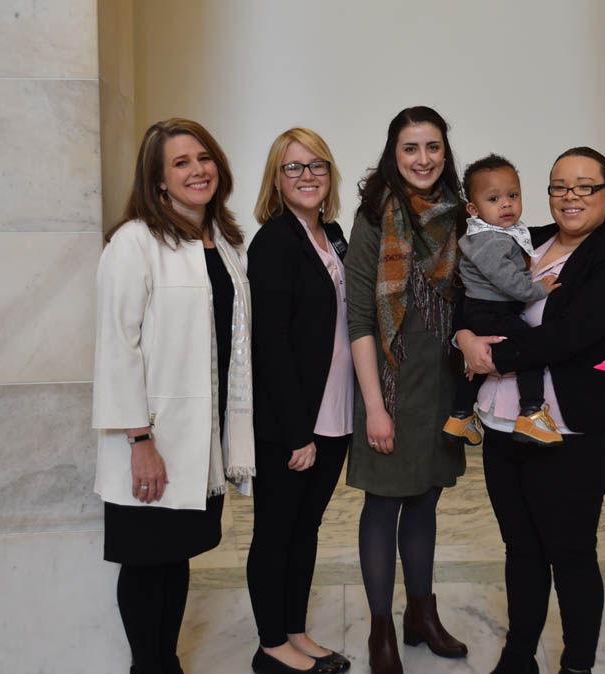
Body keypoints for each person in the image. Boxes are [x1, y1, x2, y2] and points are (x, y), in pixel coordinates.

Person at [457, 147, 605, 674]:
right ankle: (519, 656)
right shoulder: (524, 239)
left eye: (586, 186)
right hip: (503, 423)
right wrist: (463, 334)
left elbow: (569, 337)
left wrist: (492, 356)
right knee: (520, 547)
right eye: (560, 186)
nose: (571, 196)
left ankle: (577, 664)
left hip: (573, 432)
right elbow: (470, 292)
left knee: (571, 551)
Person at [92, 118, 255, 674]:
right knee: (144, 562)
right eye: (181, 163)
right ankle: (150, 667)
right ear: (158, 180)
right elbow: (117, 347)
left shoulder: (226, 243)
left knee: (175, 557)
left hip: (200, 440)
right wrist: (139, 439)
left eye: (203, 157)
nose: (197, 169)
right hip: (152, 439)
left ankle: (167, 662)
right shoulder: (135, 241)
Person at [344, 106, 469, 674]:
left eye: (433, 147)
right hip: (390, 387)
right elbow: (361, 321)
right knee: (385, 504)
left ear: (446, 152)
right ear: (393, 155)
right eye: (411, 149)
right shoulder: (374, 217)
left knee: (427, 498)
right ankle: (381, 631)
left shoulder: (461, 216)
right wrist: (374, 407)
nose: (423, 159)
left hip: (441, 385)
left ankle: (423, 615)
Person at [246, 128, 353, 674]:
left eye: (317, 165)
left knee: (305, 529)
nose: (307, 176)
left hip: (335, 413)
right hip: (294, 422)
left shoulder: (331, 234)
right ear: (276, 179)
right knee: (275, 531)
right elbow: (273, 344)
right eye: (294, 168)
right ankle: (271, 647)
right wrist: (296, 433)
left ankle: (294, 629)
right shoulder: (274, 242)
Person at [441, 154, 562, 448]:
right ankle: (532, 413)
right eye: (494, 198)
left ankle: (459, 416)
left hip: (482, 310)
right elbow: (509, 281)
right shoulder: (491, 240)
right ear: (473, 208)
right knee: (529, 353)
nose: (506, 203)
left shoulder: (498, 234)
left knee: (479, 363)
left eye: (513, 195)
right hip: (491, 310)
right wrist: (538, 290)